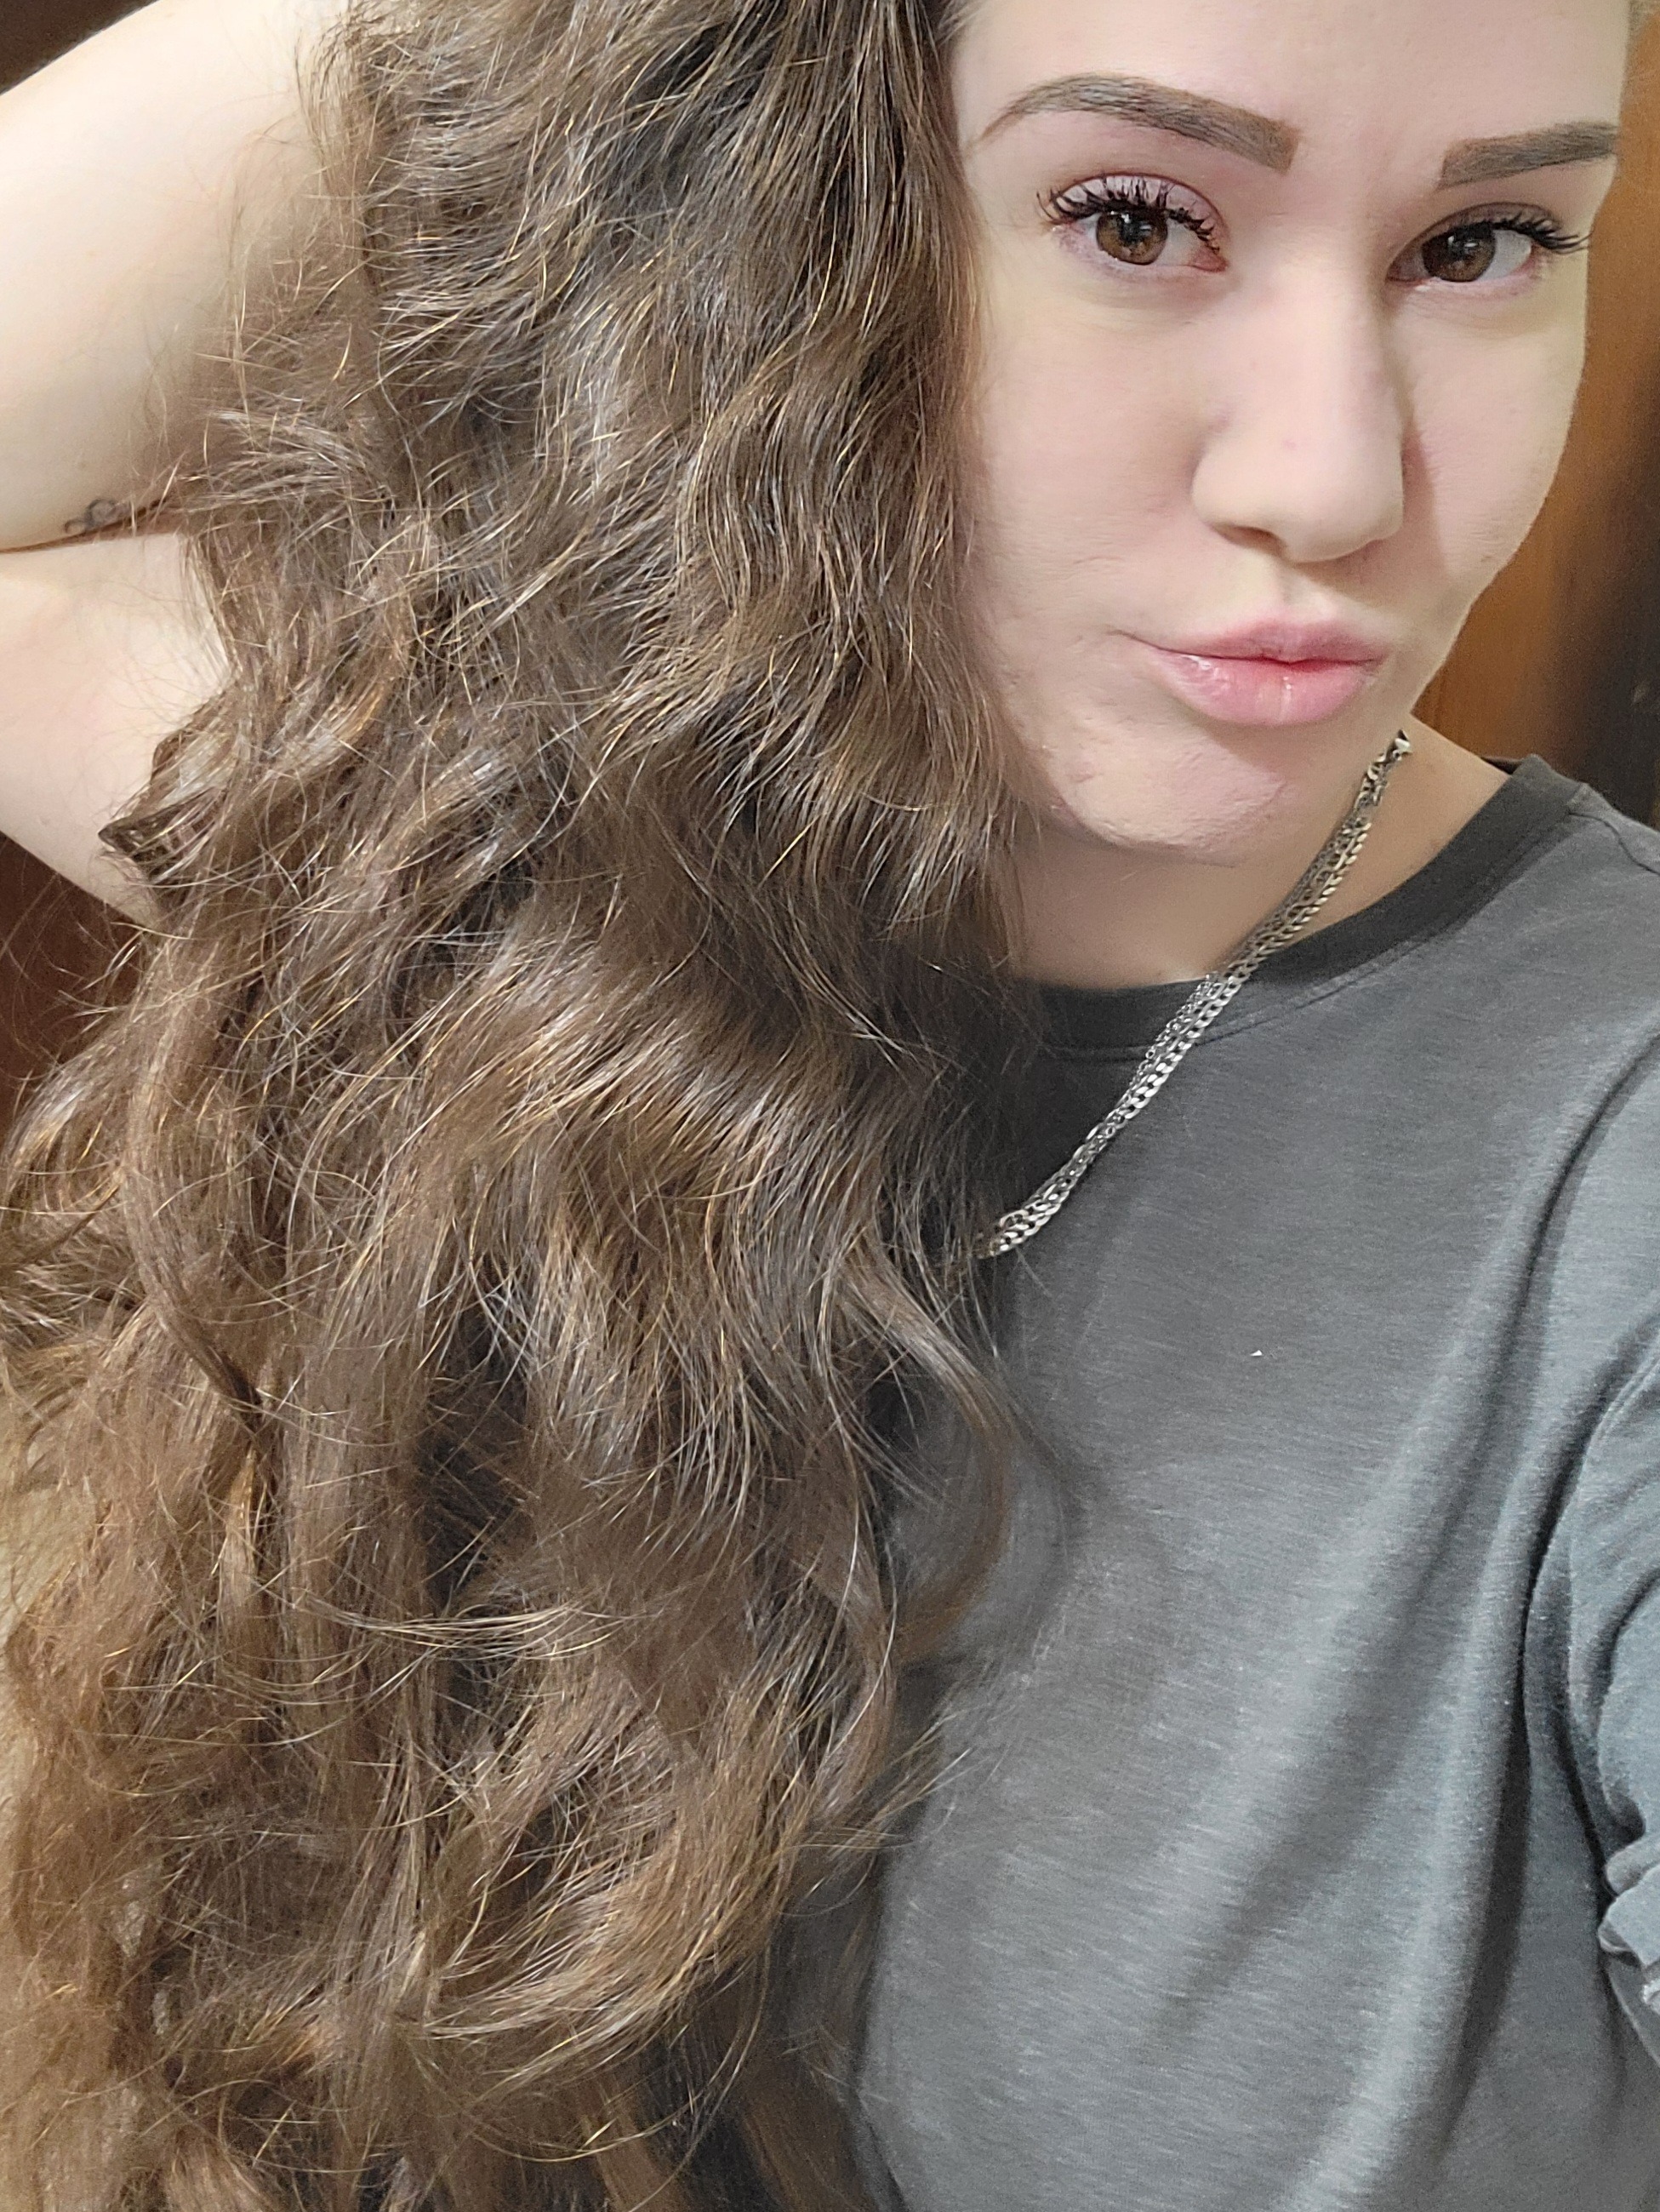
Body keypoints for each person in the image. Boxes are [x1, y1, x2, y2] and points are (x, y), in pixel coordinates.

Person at [0, 0, 1653, 2203]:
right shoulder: (548, 884)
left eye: (1483, 243)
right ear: (780, 218)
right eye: (1135, 217)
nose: (1333, 480)